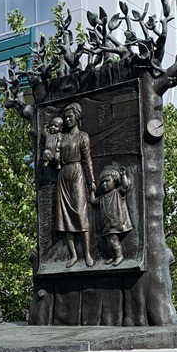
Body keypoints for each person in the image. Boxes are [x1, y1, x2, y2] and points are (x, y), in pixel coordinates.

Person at [43, 103, 95, 266]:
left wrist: (92, 180)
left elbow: (87, 160)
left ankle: (87, 254)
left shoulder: (82, 136)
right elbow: (54, 152)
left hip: (77, 172)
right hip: (63, 175)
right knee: (64, 216)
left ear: (77, 117)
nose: (67, 119)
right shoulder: (62, 137)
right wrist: (49, 156)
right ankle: (73, 255)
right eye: (65, 117)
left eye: (70, 116)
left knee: (81, 213)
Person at [92, 166, 133, 265]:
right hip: (106, 224)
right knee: (108, 242)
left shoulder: (117, 192)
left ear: (114, 182)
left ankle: (119, 256)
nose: (104, 184)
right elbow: (93, 201)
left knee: (113, 240)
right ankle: (111, 256)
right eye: (102, 182)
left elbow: (125, 186)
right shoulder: (102, 197)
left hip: (116, 223)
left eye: (107, 181)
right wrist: (92, 191)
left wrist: (123, 175)